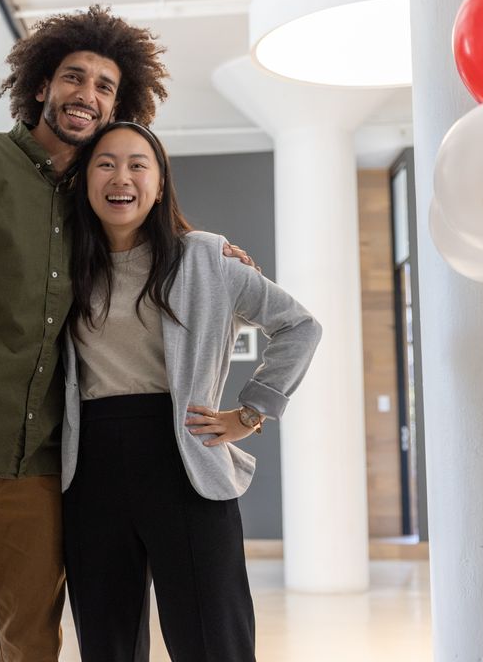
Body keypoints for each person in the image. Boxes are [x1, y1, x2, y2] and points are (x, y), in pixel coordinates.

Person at [0, 7, 254, 662]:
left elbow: (150, 229)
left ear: (120, 103)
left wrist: (216, 255)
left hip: (37, 459)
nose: (87, 95)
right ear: (40, 86)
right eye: (74, 78)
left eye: (104, 87)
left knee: (33, 641)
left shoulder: (93, 199)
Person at [61, 121, 322, 661]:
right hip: (90, 466)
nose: (121, 176)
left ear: (159, 183)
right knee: (105, 643)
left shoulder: (205, 257)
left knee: (214, 641)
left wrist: (252, 412)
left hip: (185, 457)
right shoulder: (63, 265)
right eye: (105, 163)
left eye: (138, 164)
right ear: (86, 180)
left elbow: (299, 326)